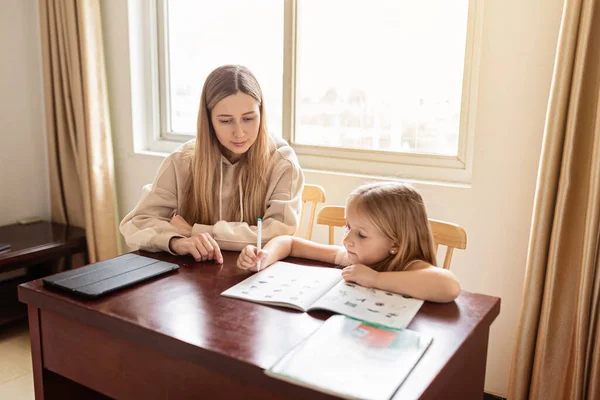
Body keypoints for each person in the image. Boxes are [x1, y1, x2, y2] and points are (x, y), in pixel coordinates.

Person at [120, 65, 304, 264]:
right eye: (226, 121)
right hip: (194, 277)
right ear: (209, 121)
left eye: (249, 118)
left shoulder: (282, 162)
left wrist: (194, 230)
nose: (240, 133)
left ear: (261, 113)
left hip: (256, 275)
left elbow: (278, 235)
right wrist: (177, 242)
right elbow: (136, 225)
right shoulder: (181, 161)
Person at [237, 182, 460, 303]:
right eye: (348, 227)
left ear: (397, 244)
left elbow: (448, 286)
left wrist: (376, 279)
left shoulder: (409, 267)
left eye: (361, 234)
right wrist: (265, 256)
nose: (347, 240)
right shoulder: (354, 256)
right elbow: (289, 243)